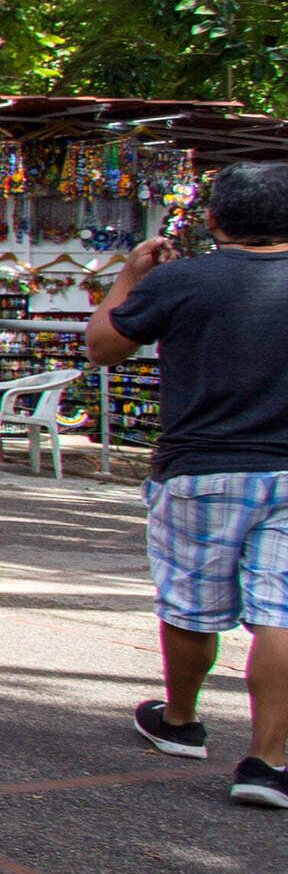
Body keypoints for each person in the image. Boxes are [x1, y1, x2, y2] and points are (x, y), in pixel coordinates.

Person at [88, 162, 288, 807]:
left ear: (212, 219)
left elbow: (103, 346)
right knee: (280, 612)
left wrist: (129, 277)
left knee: (191, 603)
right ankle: (267, 760)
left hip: (201, 469)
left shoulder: (181, 280)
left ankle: (180, 720)